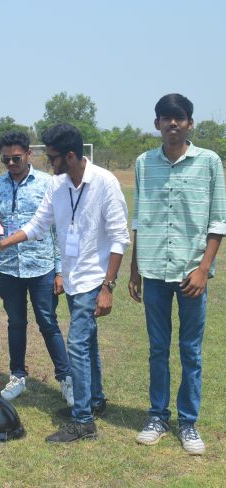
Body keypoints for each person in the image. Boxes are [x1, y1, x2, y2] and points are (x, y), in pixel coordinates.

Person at [0, 123, 129, 443]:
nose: (49, 163)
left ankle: (83, 421)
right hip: (74, 278)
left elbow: (119, 238)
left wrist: (108, 286)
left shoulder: (105, 182)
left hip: (94, 278)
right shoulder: (58, 186)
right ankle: (94, 400)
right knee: (88, 343)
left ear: (71, 156)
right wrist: (2, 244)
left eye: (53, 158)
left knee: (76, 344)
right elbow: (38, 226)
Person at [129, 94, 226, 455]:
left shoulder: (209, 162)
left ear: (190, 123)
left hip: (191, 274)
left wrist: (203, 269)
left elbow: (218, 221)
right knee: (157, 348)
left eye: (180, 117)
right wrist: (135, 269)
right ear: (157, 123)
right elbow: (140, 219)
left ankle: (188, 422)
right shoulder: (144, 163)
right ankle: (157, 416)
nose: (173, 123)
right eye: (166, 118)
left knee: (191, 351)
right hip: (154, 270)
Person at [0, 131, 73, 405]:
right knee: (16, 323)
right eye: (5, 159)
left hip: (41, 267)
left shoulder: (48, 183)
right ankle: (17, 376)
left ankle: (66, 379)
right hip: (9, 268)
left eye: (16, 158)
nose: (11, 164)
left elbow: (57, 230)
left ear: (29, 154)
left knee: (48, 322)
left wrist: (59, 271)